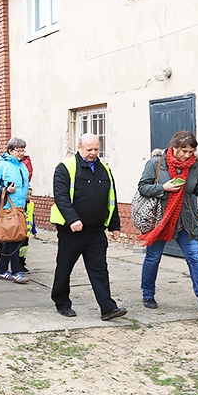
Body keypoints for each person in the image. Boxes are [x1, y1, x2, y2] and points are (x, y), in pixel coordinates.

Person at [137, 130, 198, 313]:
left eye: (191, 152)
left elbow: (195, 185)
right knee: (153, 258)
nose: (187, 156)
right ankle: (148, 294)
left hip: (185, 220)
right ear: (174, 147)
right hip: (162, 219)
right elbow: (143, 187)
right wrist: (163, 187)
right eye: (184, 151)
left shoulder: (193, 165)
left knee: (195, 258)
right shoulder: (156, 163)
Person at [50, 133, 126, 320]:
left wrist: (114, 225)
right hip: (72, 231)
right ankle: (62, 302)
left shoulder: (104, 169)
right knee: (65, 267)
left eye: (96, 149)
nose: (93, 153)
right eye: (89, 149)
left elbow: (111, 198)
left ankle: (108, 308)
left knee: (100, 269)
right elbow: (61, 197)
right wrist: (72, 219)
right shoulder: (65, 168)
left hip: (96, 231)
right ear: (79, 148)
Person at [0, 137, 31, 284]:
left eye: (23, 150)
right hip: (6, 209)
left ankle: (3, 270)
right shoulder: (2, 166)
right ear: (10, 150)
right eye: (19, 150)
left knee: (10, 241)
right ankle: (16, 271)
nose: (21, 153)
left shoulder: (22, 166)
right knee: (14, 240)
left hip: (20, 209)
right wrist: (6, 190)